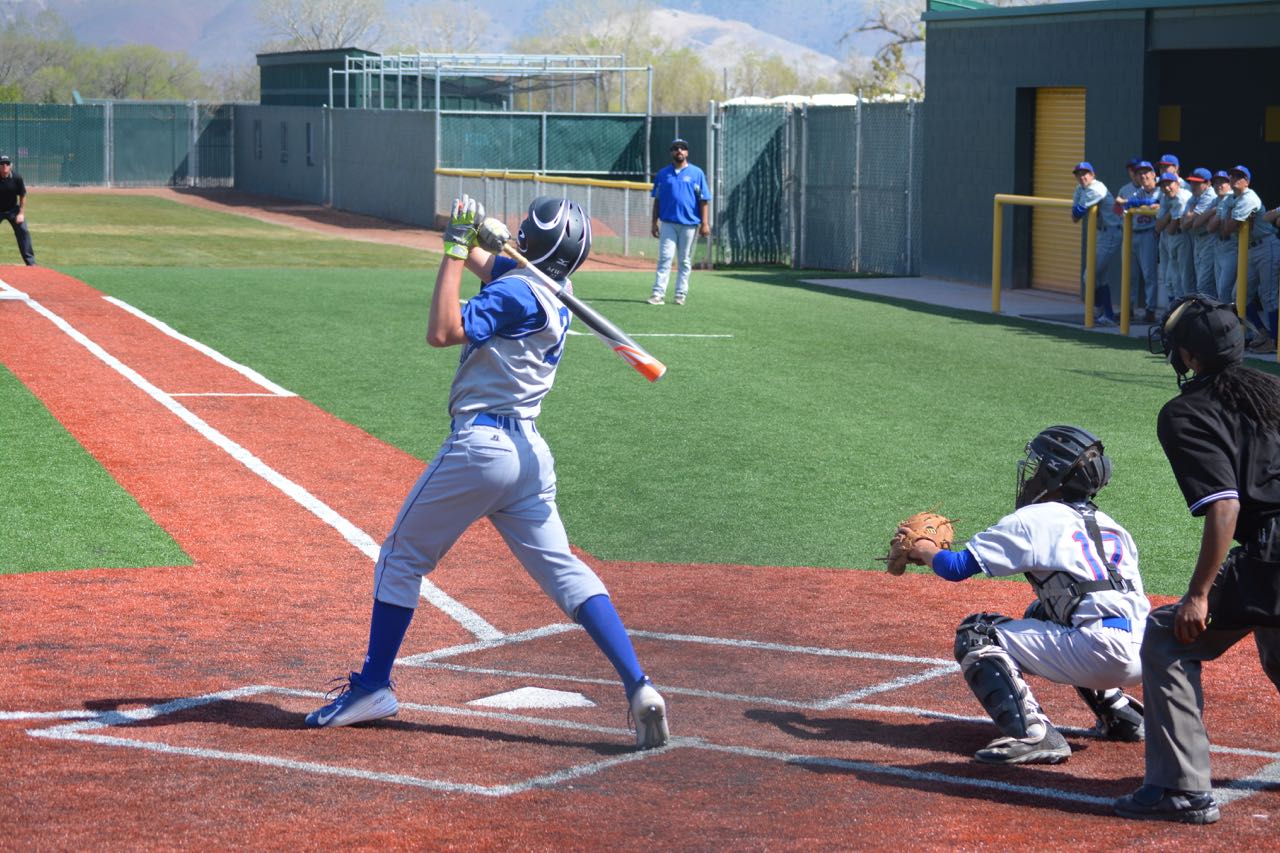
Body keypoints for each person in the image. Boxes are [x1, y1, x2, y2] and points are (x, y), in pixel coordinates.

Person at [305, 195, 670, 750]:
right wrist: (474, 236)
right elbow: (494, 264)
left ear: (533, 244)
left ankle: (373, 685)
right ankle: (639, 684)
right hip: (529, 457)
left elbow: (442, 330)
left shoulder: (515, 293)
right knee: (565, 573)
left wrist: (454, 248)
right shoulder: (553, 289)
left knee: (401, 558)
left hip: (481, 449)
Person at [1116, 295, 1280, 824]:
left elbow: (1225, 507)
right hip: (1270, 564)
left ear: (1188, 356)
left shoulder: (1187, 412)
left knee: (1169, 636)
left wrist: (1199, 594)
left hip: (1272, 557)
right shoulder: (1273, 390)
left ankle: (1179, 789)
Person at [900, 426, 1148, 766]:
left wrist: (924, 547)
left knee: (976, 633)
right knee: (1042, 612)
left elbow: (955, 567)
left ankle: (1032, 732)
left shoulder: (1034, 519)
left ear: (1053, 475)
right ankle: (1121, 714)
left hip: (1100, 650)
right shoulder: (1112, 526)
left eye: (1038, 467)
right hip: (1147, 652)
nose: (1031, 476)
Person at [1218, 165, 1278, 354]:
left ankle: (1275, 341)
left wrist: (1231, 217)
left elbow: (1228, 228)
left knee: (1268, 296)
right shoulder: (1230, 198)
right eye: (1232, 175)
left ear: (1247, 181)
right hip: (1249, 249)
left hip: (1266, 245)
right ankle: (1263, 333)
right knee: (1239, 295)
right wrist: (1231, 218)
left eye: (1240, 176)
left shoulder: (1249, 197)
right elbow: (1224, 229)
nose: (1235, 179)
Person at [647, 138, 711, 306]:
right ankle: (658, 294)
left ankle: (680, 294)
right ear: (671, 152)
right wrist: (654, 222)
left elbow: (704, 200)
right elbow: (657, 200)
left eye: (683, 148)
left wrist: (705, 223)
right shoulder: (663, 174)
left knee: (684, 260)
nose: (679, 151)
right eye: (676, 148)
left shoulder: (697, 173)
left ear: (687, 152)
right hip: (668, 223)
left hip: (689, 224)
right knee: (665, 258)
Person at [1070, 161, 1120, 325]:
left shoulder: (1097, 188)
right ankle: (1108, 315)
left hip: (1111, 232)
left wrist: (1077, 210)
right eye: (1079, 174)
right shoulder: (1080, 188)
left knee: (1089, 276)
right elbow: (1074, 215)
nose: (1082, 177)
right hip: (1101, 233)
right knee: (1100, 278)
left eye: (1085, 174)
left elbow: (1077, 213)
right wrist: (1076, 211)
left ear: (1093, 175)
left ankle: (1100, 310)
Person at [1118, 161, 1161, 323]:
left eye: (1146, 172)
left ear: (1153, 174)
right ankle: (1128, 308)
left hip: (1148, 234)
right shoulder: (1138, 192)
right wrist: (1130, 203)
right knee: (1129, 274)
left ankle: (1150, 310)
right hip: (1131, 233)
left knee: (1149, 274)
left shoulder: (1159, 190)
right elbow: (1122, 205)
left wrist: (1130, 203)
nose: (1143, 176)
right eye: (1140, 173)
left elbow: (1155, 203)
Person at [1155, 170, 1193, 302]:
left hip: (1185, 237)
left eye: (1169, 184)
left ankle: (1188, 311)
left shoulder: (1182, 197)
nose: (1166, 188)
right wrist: (1170, 214)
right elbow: (1158, 227)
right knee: (1173, 280)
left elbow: (1171, 229)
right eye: (1163, 185)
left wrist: (1167, 217)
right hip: (1173, 239)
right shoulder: (1165, 197)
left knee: (1186, 280)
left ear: (1177, 184)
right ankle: (1175, 311)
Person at [1182, 168, 1219, 297]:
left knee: (1204, 284)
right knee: (1202, 283)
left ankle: (1212, 310)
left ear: (1207, 183)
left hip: (1210, 239)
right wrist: (1190, 217)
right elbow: (1185, 224)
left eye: (1197, 183)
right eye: (1192, 182)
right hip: (1198, 240)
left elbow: (1190, 222)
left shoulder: (1210, 196)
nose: (1193, 186)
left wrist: (1190, 216)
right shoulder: (1194, 196)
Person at [1208, 170, 1239, 304]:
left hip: (1232, 246)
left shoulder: (1232, 198)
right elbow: (1210, 227)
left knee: (1225, 290)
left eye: (1223, 182)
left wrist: (1215, 215)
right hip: (1219, 246)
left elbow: (1218, 228)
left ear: (1230, 184)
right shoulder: (1216, 200)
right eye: (1216, 182)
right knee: (1221, 290)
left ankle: (1234, 317)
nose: (1219, 185)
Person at [0, 154, 36, 266]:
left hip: (12, 210)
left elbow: (22, 195)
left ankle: (31, 263)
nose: (4, 166)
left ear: (10, 166)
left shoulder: (17, 178)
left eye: (7, 163)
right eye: (2, 164)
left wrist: (21, 213)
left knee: (23, 230)